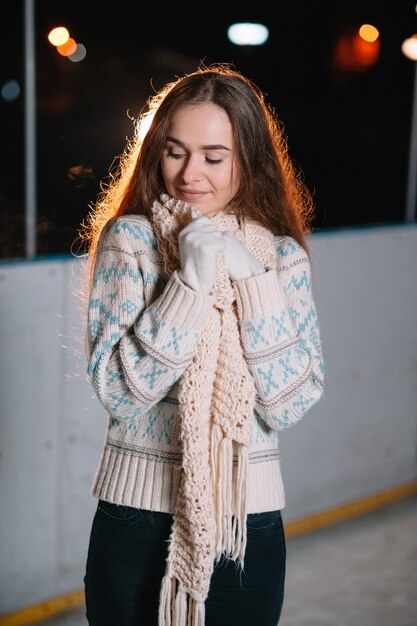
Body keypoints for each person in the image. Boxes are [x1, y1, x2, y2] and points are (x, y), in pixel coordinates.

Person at [80, 63, 325, 626]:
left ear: (248, 161)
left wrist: (253, 283)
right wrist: (190, 282)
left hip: (247, 522)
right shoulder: (132, 241)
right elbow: (121, 392)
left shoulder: (280, 257)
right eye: (175, 151)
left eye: (215, 157)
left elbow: (289, 401)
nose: (191, 173)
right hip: (137, 517)